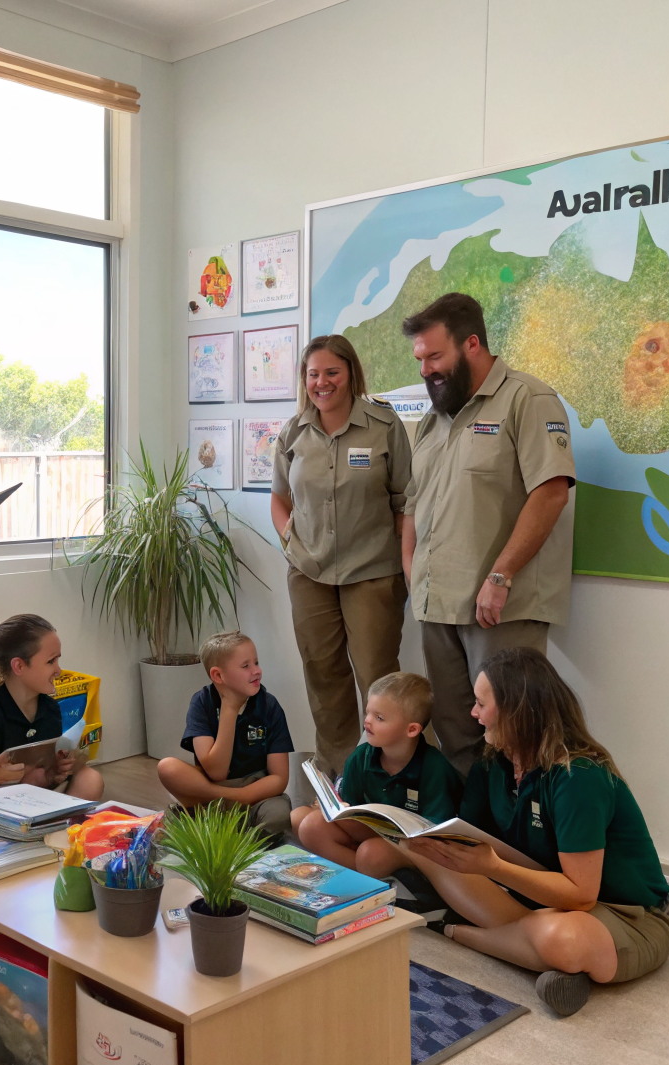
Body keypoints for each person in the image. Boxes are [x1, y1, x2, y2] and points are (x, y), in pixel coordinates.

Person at [406, 648, 669, 1017]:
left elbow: (582, 896)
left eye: (481, 704)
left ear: (516, 711)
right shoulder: (495, 762)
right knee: (436, 855)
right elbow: (473, 835)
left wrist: (494, 869)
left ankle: (462, 933)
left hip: (628, 914)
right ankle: (551, 962)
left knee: (559, 938)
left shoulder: (578, 776)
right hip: (544, 897)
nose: (473, 713)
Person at [401, 293, 575, 776]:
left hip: (500, 608)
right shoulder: (434, 418)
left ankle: (516, 844)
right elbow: (414, 503)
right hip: (437, 604)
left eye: (435, 356)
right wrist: (413, 571)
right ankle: (464, 841)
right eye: (420, 359)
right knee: (456, 733)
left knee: (515, 735)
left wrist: (500, 577)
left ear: (472, 343)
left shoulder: (528, 399)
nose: (425, 370)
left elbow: (551, 493)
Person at [271, 334, 411, 779]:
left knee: (379, 683)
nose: (322, 382)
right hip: (309, 574)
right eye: (313, 374)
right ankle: (338, 780)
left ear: (350, 373)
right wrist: (290, 539)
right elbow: (279, 498)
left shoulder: (383, 426)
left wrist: (404, 566)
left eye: (332, 372)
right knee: (323, 679)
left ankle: (390, 781)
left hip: (372, 574)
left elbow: (404, 501)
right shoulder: (292, 431)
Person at [292, 672, 461, 880]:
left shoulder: (435, 768)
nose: (367, 722)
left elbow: (436, 834)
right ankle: (367, 878)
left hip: (413, 846)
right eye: (368, 713)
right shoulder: (359, 758)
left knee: (371, 855)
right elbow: (350, 812)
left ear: (412, 730)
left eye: (379, 718)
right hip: (369, 836)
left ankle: (371, 874)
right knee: (306, 823)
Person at [157, 631, 294, 843]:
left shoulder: (269, 705)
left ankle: (209, 820)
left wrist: (242, 797)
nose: (257, 671)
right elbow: (217, 772)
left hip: (254, 792)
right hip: (214, 787)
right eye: (246, 666)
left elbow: (279, 778)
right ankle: (226, 823)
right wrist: (229, 709)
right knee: (167, 767)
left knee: (278, 816)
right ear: (218, 676)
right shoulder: (202, 703)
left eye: (256, 662)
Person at [0, 614, 104, 800]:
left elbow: (45, 775)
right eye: (51, 661)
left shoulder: (50, 709)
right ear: (19, 666)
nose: (58, 670)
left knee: (90, 779)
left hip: (37, 794)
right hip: (0, 801)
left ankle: (61, 825)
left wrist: (57, 771)